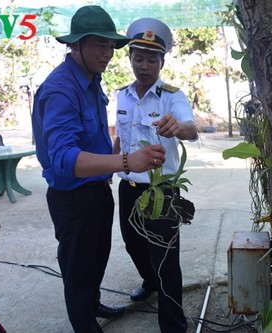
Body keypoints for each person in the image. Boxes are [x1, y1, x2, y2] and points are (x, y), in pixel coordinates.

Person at [31, 6, 166, 333]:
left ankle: (93, 302)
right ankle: (84, 321)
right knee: (78, 270)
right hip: (72, 198)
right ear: (75, 45)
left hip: (97, 189)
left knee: (96, 259)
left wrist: (114, 148)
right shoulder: (61, 89)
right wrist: (124, 162)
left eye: (110, 46)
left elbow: (88, 133)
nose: (107, 54)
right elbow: (63, 157)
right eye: (99, 46)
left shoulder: (91, 80)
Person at [114, 18, 198, 332]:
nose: (144, 65)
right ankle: (148, 282)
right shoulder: (121, 95)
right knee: (133, 243)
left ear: (162, 62)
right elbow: (121, 137)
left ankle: (174, 325)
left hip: (162, 191)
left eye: (152, 59)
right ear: (130, 59)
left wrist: (179, 128)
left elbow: (190, 128)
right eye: (139, 58)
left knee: (165, 260)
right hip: (128, 186)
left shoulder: (172, 96)